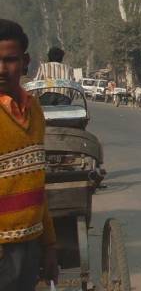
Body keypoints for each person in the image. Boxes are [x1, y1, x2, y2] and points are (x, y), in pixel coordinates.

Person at [0, 19, 59, 290]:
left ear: (25, 62)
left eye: (10, 60)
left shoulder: (34, 111)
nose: (2, 69)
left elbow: (38, 185)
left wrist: (49, 245)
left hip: (31, 246)